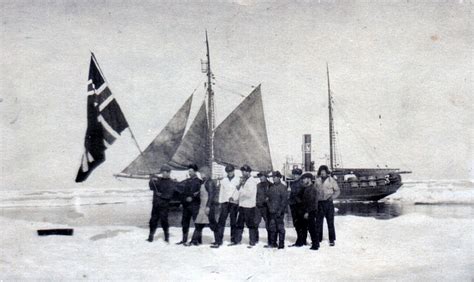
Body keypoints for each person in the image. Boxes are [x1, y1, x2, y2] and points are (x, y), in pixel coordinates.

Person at [188, 166, 219, 246]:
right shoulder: (204, 182)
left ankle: (218, 241)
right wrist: (196, 194)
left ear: (206, 173)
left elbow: (211, 195)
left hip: (208, 207)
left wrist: (208, 207)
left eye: (202, 173)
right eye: (200, 173)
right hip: (203, 206)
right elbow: (203, 193)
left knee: (212, 224)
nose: (201, 175)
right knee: (199, 224)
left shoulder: (210, 182)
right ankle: (194, 241)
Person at [147, 165, 177, 243]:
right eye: (163, 172)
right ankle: (150, 236)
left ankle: (166, 237)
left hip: (164, 205)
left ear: (169, 173)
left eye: (166, 172)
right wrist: (151, 180)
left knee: (164, 221)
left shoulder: (171, 182)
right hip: (156, 204)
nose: (164, 174)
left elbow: (170, 195)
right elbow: (151, 187)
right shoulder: (158, 180)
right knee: (153, 221)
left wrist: (162, 195)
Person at [232, 164, 259, 247]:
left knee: (250, 224)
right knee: (239, 223)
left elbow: (249, 194)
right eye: (243, 171)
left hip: (249, 206)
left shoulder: (252, 181)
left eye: (245, 171)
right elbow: (240, 193)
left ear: (249, 172)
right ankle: (237, 240)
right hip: (242, 206)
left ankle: (252, 241)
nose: (244, 173)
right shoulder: (243, 181)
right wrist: (234, 197)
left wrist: (240, 189)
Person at [214, 164, 240, 248]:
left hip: (234, 203)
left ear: (234, 171)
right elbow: (221, 192)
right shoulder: (224, 181)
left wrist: (235, 199)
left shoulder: (238, 180)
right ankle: (218, 240)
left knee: (233, 221)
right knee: (221, 221)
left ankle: (233, 240)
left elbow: (239, 191)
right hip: (225, 202)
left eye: (231, 171)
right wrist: (220, 202)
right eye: (228, 172)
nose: (230, 173)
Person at [175, 164, 202, 245]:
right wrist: (184, 199)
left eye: (191, 171)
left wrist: (193, 198)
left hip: (195, 206)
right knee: (184, 223)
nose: (189, 173)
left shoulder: (199, 182)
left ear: (195, 171)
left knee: (197, 223)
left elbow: (201, 193)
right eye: (189, 171)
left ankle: (197, 240)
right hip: (186, 206)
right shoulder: (186, 181)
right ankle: (184, 240)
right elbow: (182, 192)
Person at [316, 165, 340, 246]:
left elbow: (337, 191)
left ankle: (332, 239)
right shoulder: (317, 180)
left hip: (328, 203)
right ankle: (318, 239)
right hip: (320, 203)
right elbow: (315, 191)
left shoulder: (331, 180)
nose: (322, 173)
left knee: (330, 222)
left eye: (324, 172)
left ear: (327, 172)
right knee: (319, 222)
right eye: (321, 172)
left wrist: (332, 197)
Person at [266, 171, 288, 249]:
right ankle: (273, 243)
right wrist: (269, 207)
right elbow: (267, 198)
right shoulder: (271, 187)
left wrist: (280, 211)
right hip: (271, 211)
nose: (274, 179)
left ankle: (281, 244)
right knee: (272, 228)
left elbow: (284, 201)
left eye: (275, 177)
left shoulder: (283, 187)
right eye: (273, 177)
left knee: (280, 228)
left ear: (279, 178)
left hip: (279, 212)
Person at [288, 168, 308, 247]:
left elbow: (304, 196)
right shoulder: (293, 184)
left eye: (297, 174)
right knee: (296, 224)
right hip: (294, 206)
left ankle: (302, 241)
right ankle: (300, 239)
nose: (295, 176)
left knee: (302, 224)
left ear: (300, 175)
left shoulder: (303, 184)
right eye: (294, 174)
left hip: (300, 206)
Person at [301, 172, 320, 250]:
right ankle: (316, 243)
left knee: (312, 228)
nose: (303, 180)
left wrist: (307, 212)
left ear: (309, 179)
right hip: (309, 211)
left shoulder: (312, 189)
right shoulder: (308, 188)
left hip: (310, 211)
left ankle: (315, 245)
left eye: (304, 179)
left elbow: (312, 202)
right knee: (311, 227)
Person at [255, 171, 271, 245]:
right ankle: (255, 240)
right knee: (255, 223)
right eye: (260, 176)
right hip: (258, 207)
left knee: (268, 224)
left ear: (266, 177)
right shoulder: (258, 185)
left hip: (266, 208)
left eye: (262, 176)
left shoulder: (270, 185)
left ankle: (270, 240)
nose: (261, 178)